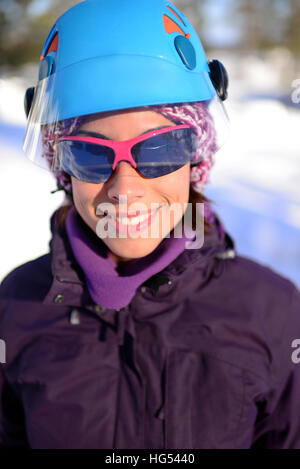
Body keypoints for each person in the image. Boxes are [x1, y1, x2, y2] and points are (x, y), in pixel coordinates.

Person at [1, 0, 300, 450]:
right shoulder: (17, 306)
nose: (126, 189)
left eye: (160, 149)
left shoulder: (274, 313)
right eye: (89, 153)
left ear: (195, 158)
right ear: (63, 169)